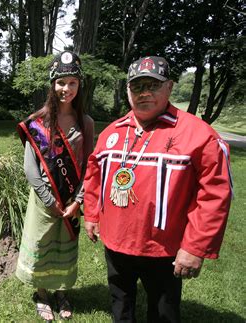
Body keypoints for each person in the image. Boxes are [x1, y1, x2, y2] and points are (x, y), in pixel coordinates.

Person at [83, 56, 233, 322]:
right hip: (116, 243)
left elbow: (215, 194)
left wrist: (195, 247)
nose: (145, 93)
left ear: (170, 87)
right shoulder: (112, 133)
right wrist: (93, 216)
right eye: (137, 86)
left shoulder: (199, 135)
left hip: (164, 248)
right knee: (121, 303)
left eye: (153, 85)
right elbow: (94, 176)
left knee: (163, 312)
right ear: (128, 91)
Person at [16, 51, 94, 321]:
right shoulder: (38, 122)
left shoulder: (86, 123)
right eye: (61, 83)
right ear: (52, 84)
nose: (66, 89)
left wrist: (78, 201)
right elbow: (30, 168)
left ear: (79, 85)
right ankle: (41, 294)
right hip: (44, 201)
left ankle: (61, 292)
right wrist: (49, 199)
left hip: (71, 200)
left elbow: (88, 166)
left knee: (65, 246)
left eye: (72, 83)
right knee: (42, 244)